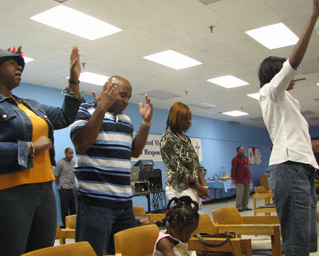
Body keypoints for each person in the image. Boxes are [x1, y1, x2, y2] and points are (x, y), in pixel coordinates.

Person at [0, 45, 82, 256]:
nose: (19, 67)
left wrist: (73, 81)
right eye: (12, 63)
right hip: (4, 193)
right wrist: (31, 147)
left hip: (43, 191)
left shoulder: (31, 105)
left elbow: (65, 117)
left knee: (41, 252)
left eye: (20, 65)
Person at [258, 1, 319, 255]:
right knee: (296, 243)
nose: (292, 77)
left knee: (304, 241)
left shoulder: (287, 101)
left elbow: (297, 140)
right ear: (277, 75)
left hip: (299, 168)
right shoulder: (269, 92)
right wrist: (314, 17)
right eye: (286, 74)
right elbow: (293, 62)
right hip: (289, 168)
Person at [70, 75, 153, 256]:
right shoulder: (85, 110)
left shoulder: (126, 120)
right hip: (95, 203)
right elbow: (81, 143)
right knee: (91, 253)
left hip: (124, 203)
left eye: (128, 97)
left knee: (129, 252)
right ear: (107, 90)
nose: (126, 101)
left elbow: (135, 152)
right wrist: (101, 108)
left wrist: (146, 123)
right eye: (123, 95)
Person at [160, 102, 210, 210]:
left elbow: (197, 164)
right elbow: (179, 169)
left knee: (194, 219)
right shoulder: (168, 138)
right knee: (188, 220)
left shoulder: (186, 139)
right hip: (179, 188)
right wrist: (198, 187)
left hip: (193, 186)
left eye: (190, 119)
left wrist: (204, 186)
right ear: (176, 118)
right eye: (185, 119)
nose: (188, 123)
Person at [55, 147, 76, 227]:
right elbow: (56, 176)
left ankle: (73, 227)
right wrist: (59, 186)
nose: (71, 155)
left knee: (73, 208)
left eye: (72, 153)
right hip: (64, 189)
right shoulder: (60, 163)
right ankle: (65, 226)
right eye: (70, 153)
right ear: (66, 153)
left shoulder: (73, 163)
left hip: (72, 188)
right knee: (64, 209)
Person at [231, 146, 251, 212]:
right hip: (239, 179)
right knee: (240, 194)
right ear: (238, 151)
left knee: (247, 193)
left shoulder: (246, 158)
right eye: (241, 150)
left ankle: (245, 206)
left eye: (243, 150)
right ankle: (238, 206)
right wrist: (233, 178)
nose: (243, 151)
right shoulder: (235, 159)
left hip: (247, 178)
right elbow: (233, 169)